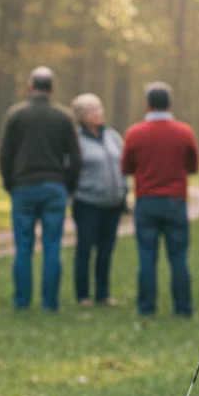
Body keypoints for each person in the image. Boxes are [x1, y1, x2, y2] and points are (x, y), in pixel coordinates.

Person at [0, 67, 82, 312]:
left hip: (23, 187)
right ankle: (50, 302)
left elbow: (5, 155)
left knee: (23, 246)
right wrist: (69, 185)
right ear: (52, 88)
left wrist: (9, 183)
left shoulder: (16, 115)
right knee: (52, 246)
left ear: (30, 86)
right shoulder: (64, 117)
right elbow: (75, 158)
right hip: (54, 187)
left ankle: (22, 301)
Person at [121, 82, 199, 317]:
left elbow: (126, 166)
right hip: (175, 201)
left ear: (147, 104)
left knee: (147, 257)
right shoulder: (184, 131)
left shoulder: (134, 133)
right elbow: (193, 166)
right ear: (170, 103)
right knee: (178, 258)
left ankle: (147, 308)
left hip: (146, 201)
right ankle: (183, 307)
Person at [70, 93, 127, 307]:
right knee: (85, 249)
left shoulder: (112, 136)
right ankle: (83, 295)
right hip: (87, 203)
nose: (98, 113)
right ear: (82, 116)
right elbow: (71, 170)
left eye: (99, 108)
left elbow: (123, 164)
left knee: (106, 250)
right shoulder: (76, 140)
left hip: (113, 204)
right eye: (93, 110)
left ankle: (103, 294)